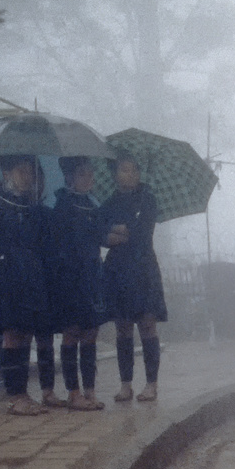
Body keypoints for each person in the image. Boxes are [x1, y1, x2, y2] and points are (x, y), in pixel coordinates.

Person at [0, 155, 54, 415]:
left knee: (27, 334)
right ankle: (15, 395)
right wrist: (0, 269)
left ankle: (25, 393)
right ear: (7, 174)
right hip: (7, 283)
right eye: (21, 171)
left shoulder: (32, 209)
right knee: (12, 336)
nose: (27, 177)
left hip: (32, 280)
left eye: (30, 172)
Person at [101, 153, 167, 402]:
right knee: (123, 327)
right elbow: (99, 230)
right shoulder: (108, 202)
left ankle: (151, 384)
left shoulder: (147, 199)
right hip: (118, 269)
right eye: (124, 170)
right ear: (115, 174)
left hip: (143, 267)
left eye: (133, 170)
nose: (130, 175)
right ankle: (125, 384)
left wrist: (119, 229)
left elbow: (141, 231)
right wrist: (112, 233)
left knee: (147, 324)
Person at [49, 157, 108, 411]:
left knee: (91, 332)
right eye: (82, 174)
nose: (88, 179)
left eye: (90, 174)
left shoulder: (92, 207)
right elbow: (59, 245)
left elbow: (100, 237)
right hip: (69, 278)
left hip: (92, 275)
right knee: (72, 332)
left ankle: (90, 390)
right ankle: (73, 393)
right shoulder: (62, 206)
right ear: (70, 177)